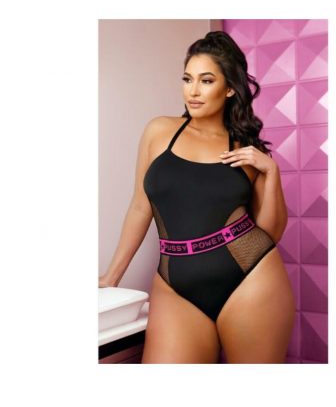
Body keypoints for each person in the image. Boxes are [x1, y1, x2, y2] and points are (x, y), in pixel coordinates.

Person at [99, 31, 296, 363]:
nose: (193, 90)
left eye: (206, 80)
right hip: (175, 286)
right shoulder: (159, 131)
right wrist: (111, 276)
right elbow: (140, 206)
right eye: (187, 79)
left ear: (229, 88)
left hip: (249, 280)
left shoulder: (246, 150)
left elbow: (270, 233)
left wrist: (270, 171)